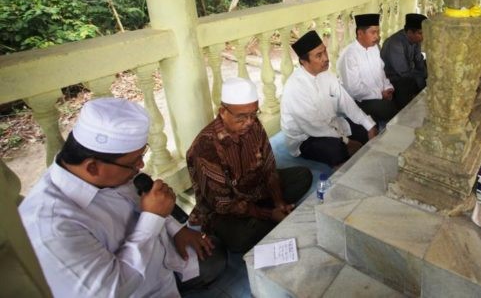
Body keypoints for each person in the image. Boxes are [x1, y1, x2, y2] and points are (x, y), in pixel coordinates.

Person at [19, 98, 225, 297]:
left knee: (216, 255)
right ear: (92, 167)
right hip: (133, 289)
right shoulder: (51, 228)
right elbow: (113, 290)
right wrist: (152, 219)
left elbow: (142, 200)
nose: (140, 167)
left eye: (140, 157)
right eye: (133, 162)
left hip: (161, 266)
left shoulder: (109, 172)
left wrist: (177, 228)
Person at [187, 77, 312, 253]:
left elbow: (269, 167)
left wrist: (278, 202)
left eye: (254, 114)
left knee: (302, 176)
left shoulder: (253, 124)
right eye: (241, 117)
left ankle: (271, 214)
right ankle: (267, 218)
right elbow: (224, 204)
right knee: (242, 238)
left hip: (256, 191)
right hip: (225, 211)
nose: (249, 122)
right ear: (223, 111)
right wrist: (269, 213)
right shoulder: (205, 148)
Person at [281, 30, 378, 167]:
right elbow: (315, 127)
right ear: (304, 61)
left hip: (333, 124)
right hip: (307, 137)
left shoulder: (326, 75)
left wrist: (369, 124)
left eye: (325, 52)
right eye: (318, 55)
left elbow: (347, 104)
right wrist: (347, 141)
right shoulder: (295, 87)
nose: (326, 58)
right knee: (336, 150)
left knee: (369, 129)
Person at [337, 13, 398, 122]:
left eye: (378, 32)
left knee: (400, 91)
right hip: (360, 100)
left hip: (379, 94)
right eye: (373, 32)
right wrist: (380, 94)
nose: (377, 36)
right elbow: (354, 90)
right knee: (388, 110)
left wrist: (387, 87)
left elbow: (381, 72)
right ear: (360, 33)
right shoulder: (349, 55)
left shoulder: (374, 47)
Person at [381, 13, 428, 110]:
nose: (423, 36)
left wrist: (427, 73)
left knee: (429, 66)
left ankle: (423, 97)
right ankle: (404, 112)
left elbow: (418, 59)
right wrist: (422, 80)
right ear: (410, 32)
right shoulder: (395, 44)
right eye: (420, 33)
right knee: (407, 82)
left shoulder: (415, 40)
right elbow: (404, 73)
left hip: (409, 72)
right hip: (392, 79)